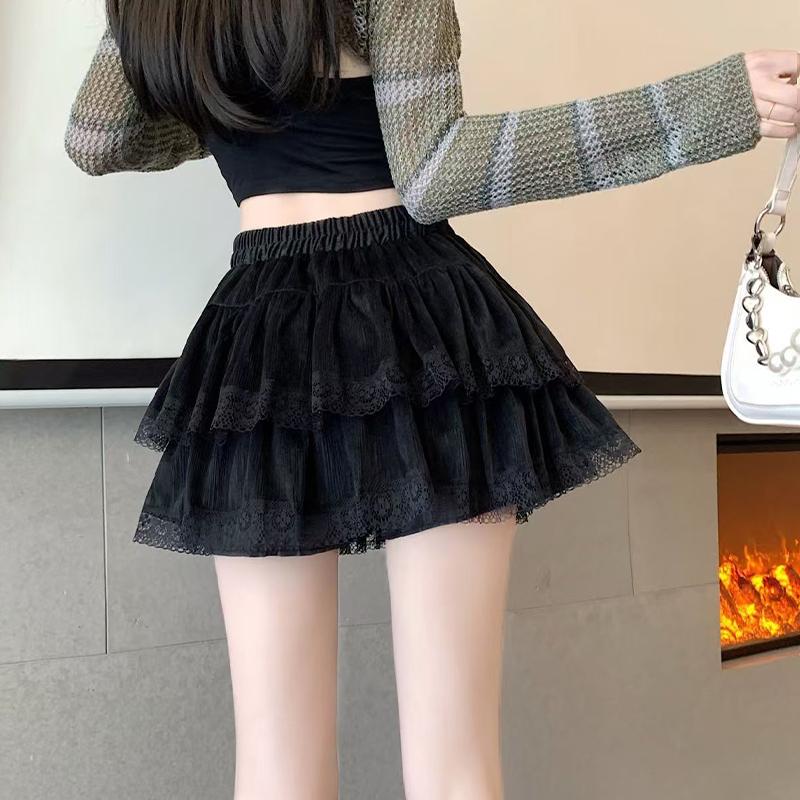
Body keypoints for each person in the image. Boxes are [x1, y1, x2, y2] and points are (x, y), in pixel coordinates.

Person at [64, 1, 799, 797]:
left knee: (275, 768)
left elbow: (96, 138)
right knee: (454, 764)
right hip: (421, 330)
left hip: (263, 341)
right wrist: (707, 103)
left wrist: (231, 107)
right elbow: (436, 171)